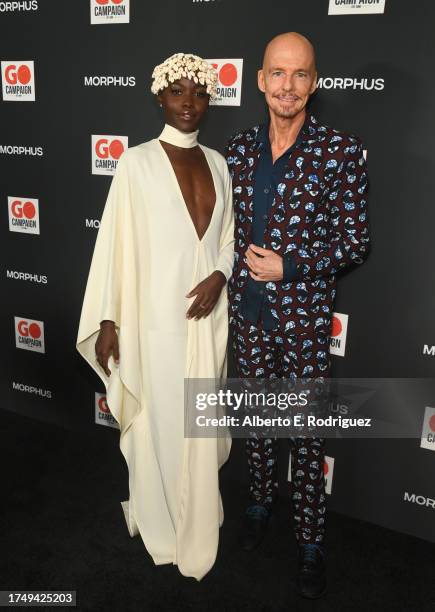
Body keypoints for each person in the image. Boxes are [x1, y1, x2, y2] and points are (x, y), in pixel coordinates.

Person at [76, 53, 234, 581]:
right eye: (177, 92)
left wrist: (221, 275)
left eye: (199, 93)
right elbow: (114, 246)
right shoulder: (135, 163)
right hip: (154, 322)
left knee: (199, 422)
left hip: (206, 319)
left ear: (209, 100)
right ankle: (162, 520)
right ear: (159, 98)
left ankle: (197, 512)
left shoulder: (218, 163)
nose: (188, 102)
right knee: (161, 419)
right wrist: (108, 321)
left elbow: (229, 239)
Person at [225, 32, 370, 598]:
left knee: (307, 434)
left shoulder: (339, 150)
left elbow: (355, 242)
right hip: (248, 317)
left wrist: (292, 266)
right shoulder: (236, 150)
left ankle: (311, 539)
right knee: (260, 422)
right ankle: (261, 504)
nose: (288, 86)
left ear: (314, 82)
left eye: (301, 74)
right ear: (260, 80)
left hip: (305, 322)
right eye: (278, 74)